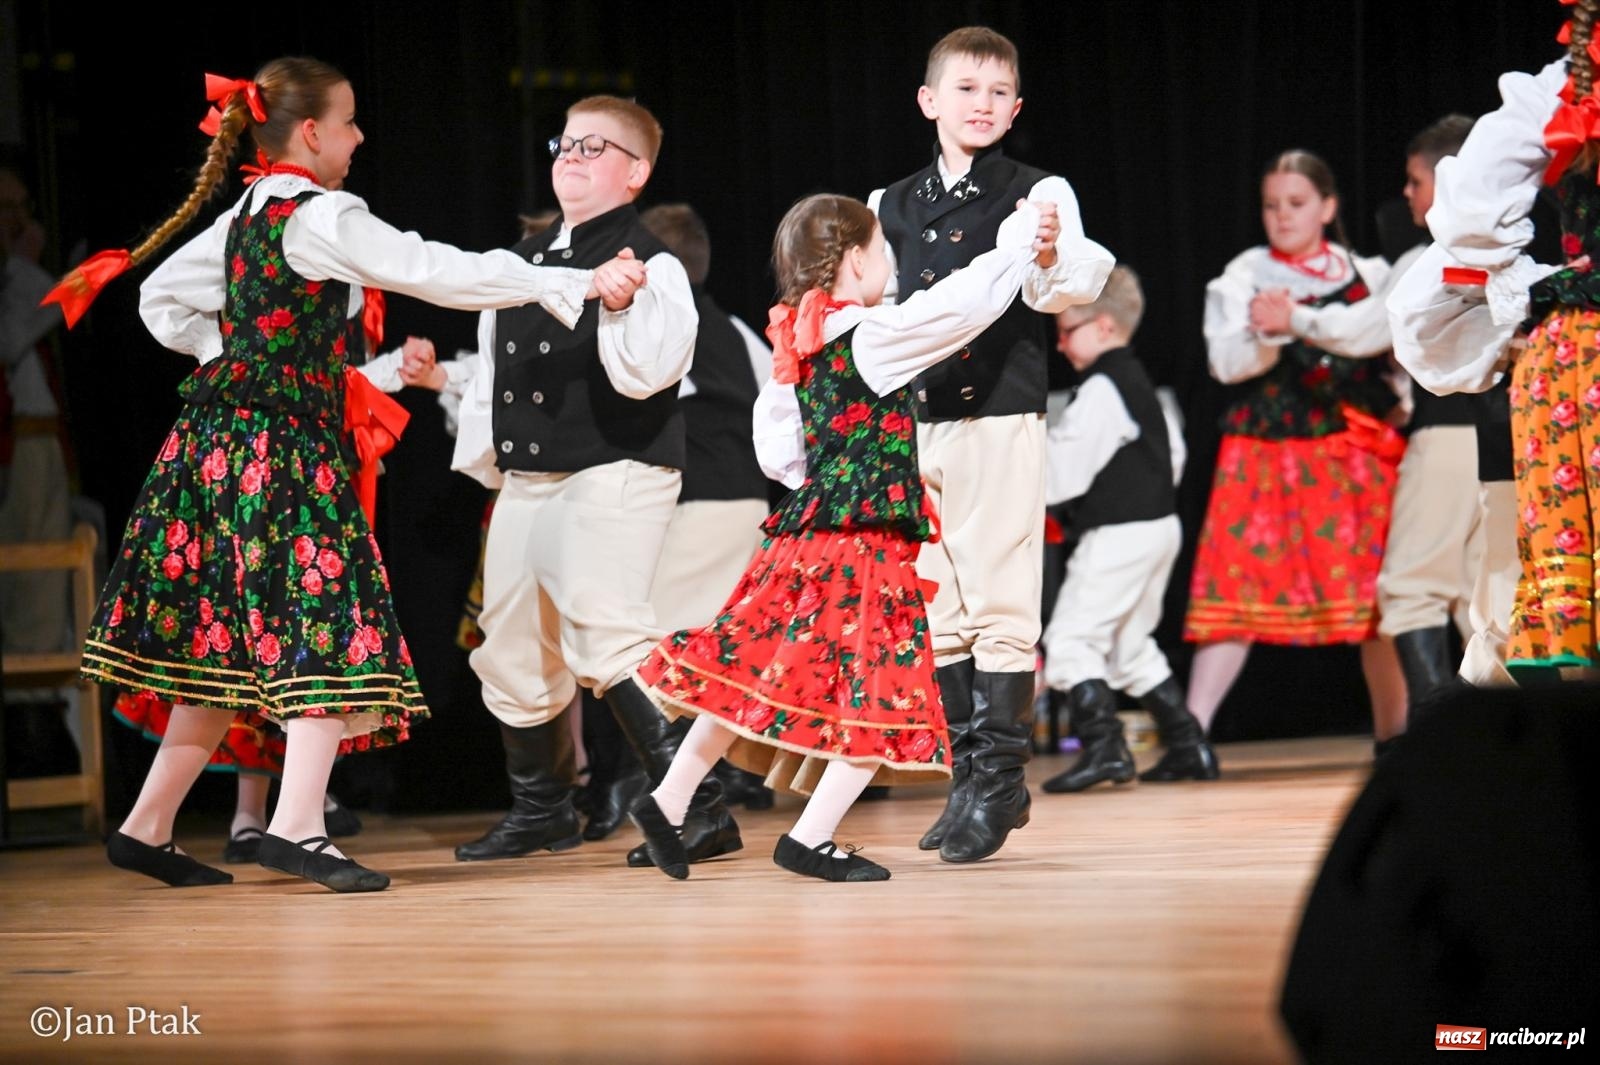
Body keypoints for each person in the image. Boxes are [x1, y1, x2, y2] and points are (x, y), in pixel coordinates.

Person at [60, 57, 596, 892]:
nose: (358, 136)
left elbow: (158, 297)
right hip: (279, 449)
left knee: (226, 638)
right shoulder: (318, 214)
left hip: (213, 445)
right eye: (348, 121)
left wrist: (233, 355)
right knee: (328, 616)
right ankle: (298, 825)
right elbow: (431, 267)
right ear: (310, 133)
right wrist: (564, 280)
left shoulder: (245, 212)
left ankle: (147, 822)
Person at [631, 192, 1049, 881]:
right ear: (854, 259)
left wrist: (837, 465)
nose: (890, 262)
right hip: (862, 546)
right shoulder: (871, 335)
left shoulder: (797, 340)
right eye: (883, 250)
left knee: (752, 673)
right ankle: (811, 836)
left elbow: (779, 454)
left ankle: (667, 801)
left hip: (802, 539)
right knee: (884, 689)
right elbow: (960, 310)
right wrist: (1018, 239)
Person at [446, 95, 744, 870]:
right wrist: (491, 463)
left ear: (636, 172)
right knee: (510, 647)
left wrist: (617, 302)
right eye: (564, 143)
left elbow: (647, 375)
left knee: (606, 629)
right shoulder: (525, 259)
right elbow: (493, 373)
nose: (571, 156)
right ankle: (543, 810)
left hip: (616, 464)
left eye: (593, 146)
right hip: (530, 478)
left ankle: (701, 808)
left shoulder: (654, 260)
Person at [869, 26, 1113, 863]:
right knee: (939, 606)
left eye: (997, 92)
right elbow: (879, 308)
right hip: (916, 419)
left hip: (1000, 411)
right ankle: (968, 776)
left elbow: (1069, 280)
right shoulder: (888, 203)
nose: (982, 104)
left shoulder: (1037, 189)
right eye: (965, 89)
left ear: (1015, 109)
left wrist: (1045, 251)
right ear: (930, 101)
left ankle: (1003, 779)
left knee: (1000, 596)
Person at [1387, 4, 1598, 681]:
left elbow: (1470, 213)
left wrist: (1533, 286)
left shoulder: (1557, 95)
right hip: (1555, 367)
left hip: (1566, 360)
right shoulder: (1560, 93)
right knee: (1495, 594)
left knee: (1514, 597)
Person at [1256, 118, 1483, 726]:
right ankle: (1516, 739)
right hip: (1509, 435)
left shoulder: (1435, 250)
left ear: (1448, 177)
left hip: (1449, 433)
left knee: (1409, 589)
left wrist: (1295, 319)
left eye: (1415, 181)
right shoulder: (1509, 236)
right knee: (1485, 595)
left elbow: (1366, 329)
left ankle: (1430, 739)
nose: (1407, 194)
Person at [1184, 150, 1408, 754]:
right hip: (1263, 451)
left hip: (1351, 450)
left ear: (1328, 207)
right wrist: (1271, 334)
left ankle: (1397, 736)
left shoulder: (1371, 272)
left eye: (1297, 204)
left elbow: (1395, 353)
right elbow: (1225, 364)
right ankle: (1194, 735)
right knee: (1236, 590)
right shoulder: (1245, 274)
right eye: (1271, 205)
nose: (1282, 217)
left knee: (1378, 599)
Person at [1036, 266, 1218, 793]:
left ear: (1105, 328)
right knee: (1128, 644)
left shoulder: (1100, 389)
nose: (1062, 345)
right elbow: (1176, 456)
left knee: (1071, 640)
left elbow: (1062, 475)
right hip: (1158, 528)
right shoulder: (1138, 383)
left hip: (1118, 532)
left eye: (1067, 331)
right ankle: (1189, 746)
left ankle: (1105, 749)